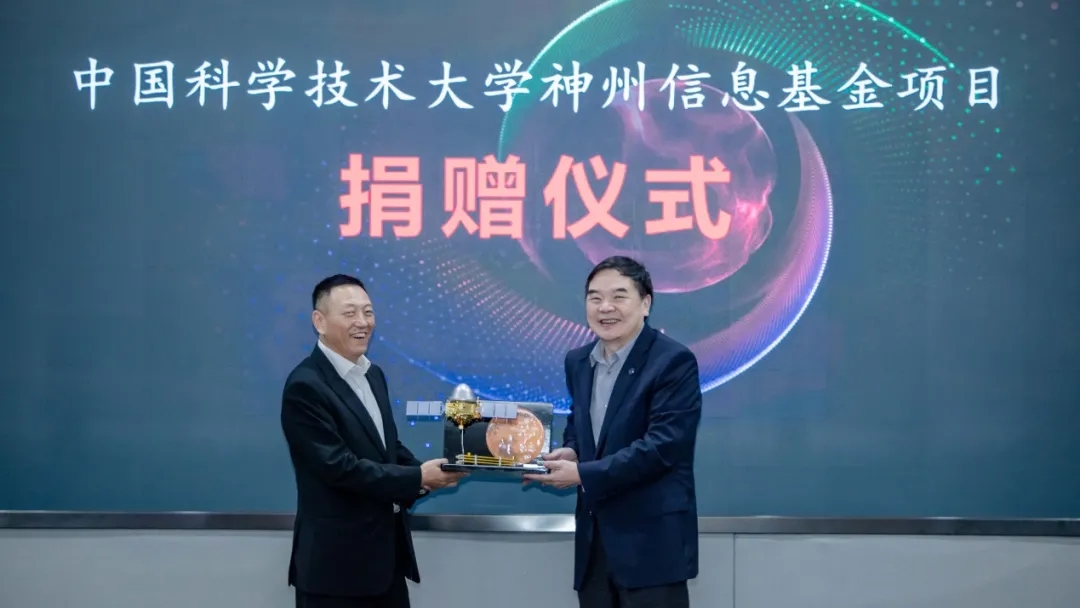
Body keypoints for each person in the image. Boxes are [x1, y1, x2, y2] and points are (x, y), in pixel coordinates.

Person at [525, 256, 703, 608]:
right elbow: (581, 424)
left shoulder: (672, 361)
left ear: (646, 304)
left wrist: (582, 474)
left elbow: (663, 447)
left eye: (619, 296)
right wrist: (572, 450)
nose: (605, 307)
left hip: (651, 546)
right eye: (595, 298)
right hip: (594, 545)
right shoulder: (578, 361)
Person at [281, 274, 466, 608]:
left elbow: (386, 448)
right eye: (350, 313)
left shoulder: (373, 374)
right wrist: (418, 476)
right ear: (319, 322)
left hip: (385, 564)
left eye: (368, 312)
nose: (363, 322)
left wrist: (433, 473)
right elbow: (339, 468)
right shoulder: (305, 386)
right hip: (335, 570)